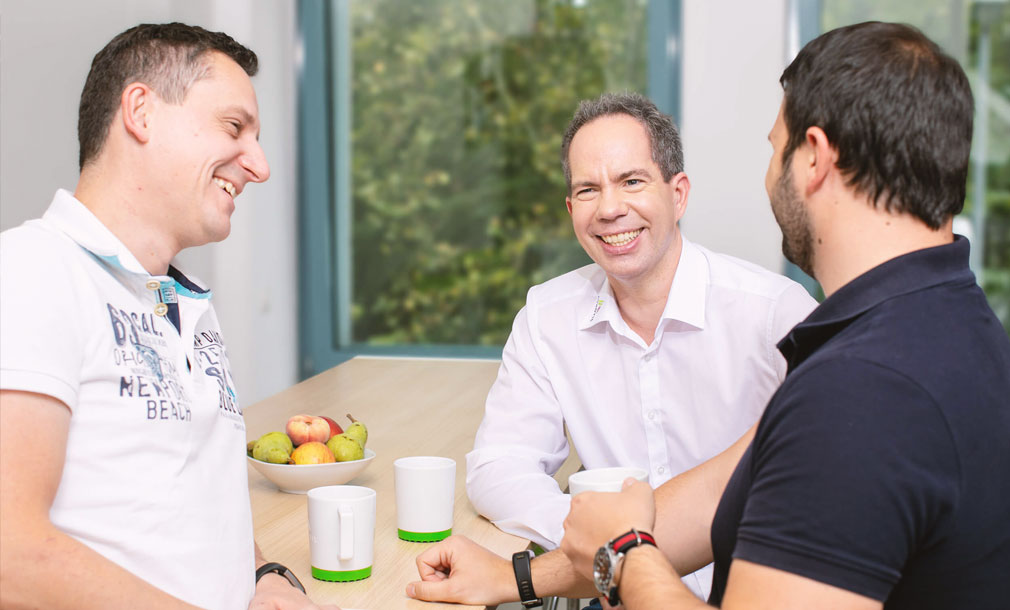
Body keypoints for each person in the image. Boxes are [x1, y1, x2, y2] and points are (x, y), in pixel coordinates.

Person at [407, 21, 1010, 609]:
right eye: (588, 190)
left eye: (776, 149)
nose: (770, 175)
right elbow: (714, 494)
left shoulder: (861, 388)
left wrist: (624, 549)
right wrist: (520, 579)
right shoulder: (942, 323)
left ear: (815, 158)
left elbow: (647, 539)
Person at [425, 92, 816, 602]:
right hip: (612, 591)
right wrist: (592, 537)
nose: (610, 208)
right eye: (588, 190)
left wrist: (615, 547)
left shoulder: (775, 316)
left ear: (678, 194)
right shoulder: (548, 315)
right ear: (570, 210)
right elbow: (499, 465)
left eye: (632, 181)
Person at [0, 23, 338, 610]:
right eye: (235, 127)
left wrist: (263, 575)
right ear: (141, 111)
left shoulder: (180, 302)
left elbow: (172, 507)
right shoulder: (32, 270)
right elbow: (10, 554)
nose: (259, 166)